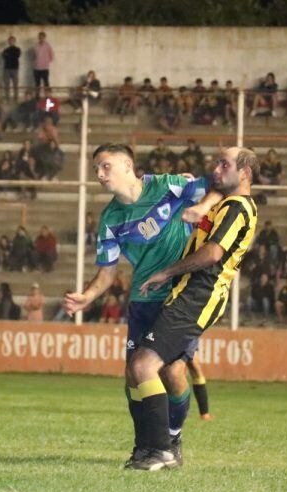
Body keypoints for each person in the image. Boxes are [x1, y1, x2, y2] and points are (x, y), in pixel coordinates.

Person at [62, 143, 224, 471]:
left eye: (105, 166)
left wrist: (200, 207)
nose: (99, 174)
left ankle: (171, 440)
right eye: (96, 169)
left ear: (127, 166)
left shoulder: (167, 185)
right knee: (133, 377)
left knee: (171, 370)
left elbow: (218, 186)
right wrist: (88, 296)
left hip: (178, 295)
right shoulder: (110, 219)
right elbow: (108, 272)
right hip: (142, 298)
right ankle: (144, 447)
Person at [129, 147, 258, 471]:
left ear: (244, 173)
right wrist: (200, 201)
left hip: (198, 296)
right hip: (188, 294)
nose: (216, 169)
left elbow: (213, 253)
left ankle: (160, 450)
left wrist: (167, 271)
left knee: (143, 365)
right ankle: (169, 443)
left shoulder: (237, 207)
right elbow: (213, 189)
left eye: (224, 164)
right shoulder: (226, 202)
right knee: (169, 371)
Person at [1, 35, 21, 102]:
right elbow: (4, 56)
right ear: (8, 42)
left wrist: (9, 55)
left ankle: (16, 99)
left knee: (15, 85)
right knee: (7, 85)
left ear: (14, 41)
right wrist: (10, 56)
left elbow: (17, 56)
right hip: (6, 69)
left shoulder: (17, 49)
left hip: (15, 69)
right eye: (10, 40)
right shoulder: (6, 50)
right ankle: (7, 99)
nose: (11, 42)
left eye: (12, 40)